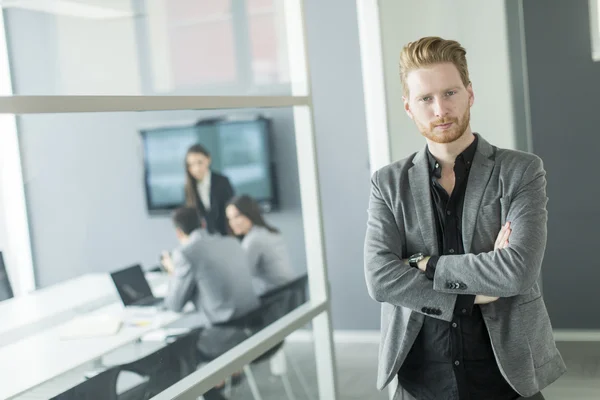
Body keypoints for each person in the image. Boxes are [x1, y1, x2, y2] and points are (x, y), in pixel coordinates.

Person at [363, 36, 566, 400]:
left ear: (470, 94)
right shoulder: (387, 183)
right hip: (420, 379)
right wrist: (472, 295)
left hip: (505, 377)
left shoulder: (520, 171)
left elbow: (517, 271)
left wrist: (422, 263)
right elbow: (380, 279)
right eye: (426, 98)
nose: (440, 108)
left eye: (450, 93)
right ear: (409, 107)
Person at [226, 195, 295, 295]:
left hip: (277, 297)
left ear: (249, 214)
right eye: (229, 219)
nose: (232, 223)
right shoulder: (269, 231)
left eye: (237, 217)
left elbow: (243, 276)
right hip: (291, 291)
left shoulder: (253, 240)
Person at [184, 144, 235, 236]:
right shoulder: (188, 188)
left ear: (208, 159)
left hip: (225, 235)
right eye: (191, 165)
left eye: (200, 162)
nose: (196, 169)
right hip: (203, 238)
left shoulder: (222, 182)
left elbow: (231, 211)